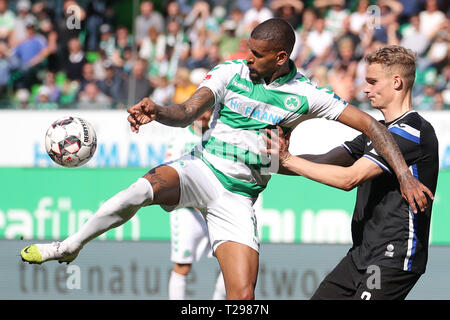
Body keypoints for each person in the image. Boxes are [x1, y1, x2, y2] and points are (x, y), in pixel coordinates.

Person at [20, 19, 433, 300]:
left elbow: (372, 126)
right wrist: (158, 111)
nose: (247, 57)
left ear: (281, 58)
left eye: (257, 53)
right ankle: (70, 245)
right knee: (143, 189)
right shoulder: (229, 72)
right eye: (248, 49)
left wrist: (404, 175)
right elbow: (186, 112)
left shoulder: (307, 95)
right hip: (202, 169)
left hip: (237, 198)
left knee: (241, 295)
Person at [263, 45, 438, 300]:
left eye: (372, 81)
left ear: (397, 82)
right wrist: (269, 162)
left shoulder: (412, 130)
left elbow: (349, 179)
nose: (365, 88)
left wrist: (287, 160)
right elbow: (325, 161)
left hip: (392, 255)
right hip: (361, 254)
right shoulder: (376, 131)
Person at [165, 109, 226, 300]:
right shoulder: (180, 138)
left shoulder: (217, 136)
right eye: (201, 111)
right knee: (182, 265)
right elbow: (169, 172)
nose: (204, 115)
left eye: (208, 110)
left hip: (214, 210)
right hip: (187, 212)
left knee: (229, 262)